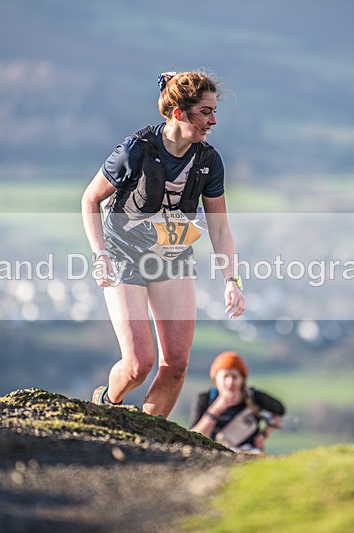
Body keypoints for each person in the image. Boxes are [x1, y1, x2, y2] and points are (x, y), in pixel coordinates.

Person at [81, 71, 245, 418]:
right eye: (205, 112)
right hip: (123, 254)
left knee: (177, 364)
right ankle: (107, 406)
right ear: (178, 113)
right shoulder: (135, 150)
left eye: (215, 111)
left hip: (172, 256)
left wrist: (232, 281)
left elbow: (220, 230)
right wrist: (99, 255)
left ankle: (146, 435)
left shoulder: (209, 161)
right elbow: (90, 200)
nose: (213, 121)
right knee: (140, 363)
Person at [190, 351, 285, 454]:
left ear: (242, 380)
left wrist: (263, 435)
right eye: (225, 376)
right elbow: (193, 436)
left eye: (235, 377)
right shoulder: (205, 399)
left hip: (250, 452)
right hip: (216, 453)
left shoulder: (255, 398)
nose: (230, 382)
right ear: (216, 379)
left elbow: (280, 410)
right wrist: (215, 410)